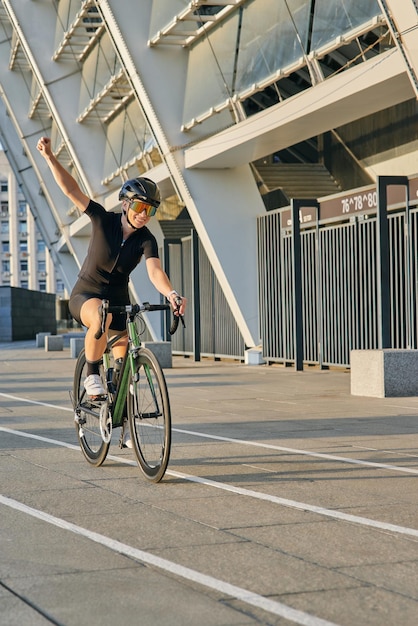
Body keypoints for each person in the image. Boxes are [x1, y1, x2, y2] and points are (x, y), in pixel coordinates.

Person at [37, 137, 186, 444]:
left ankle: (124, 418)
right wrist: (50, 156)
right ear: (126, 204)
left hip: (119, 301)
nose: (145, 214)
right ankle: (91, 372)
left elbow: (155, 271)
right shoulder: (103, 219)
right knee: (101, 319)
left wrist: (171, 294)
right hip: (86, 296)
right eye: (142, 207)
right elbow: (71, 190)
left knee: (124, 368)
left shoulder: (146, 240)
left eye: (152, 210)